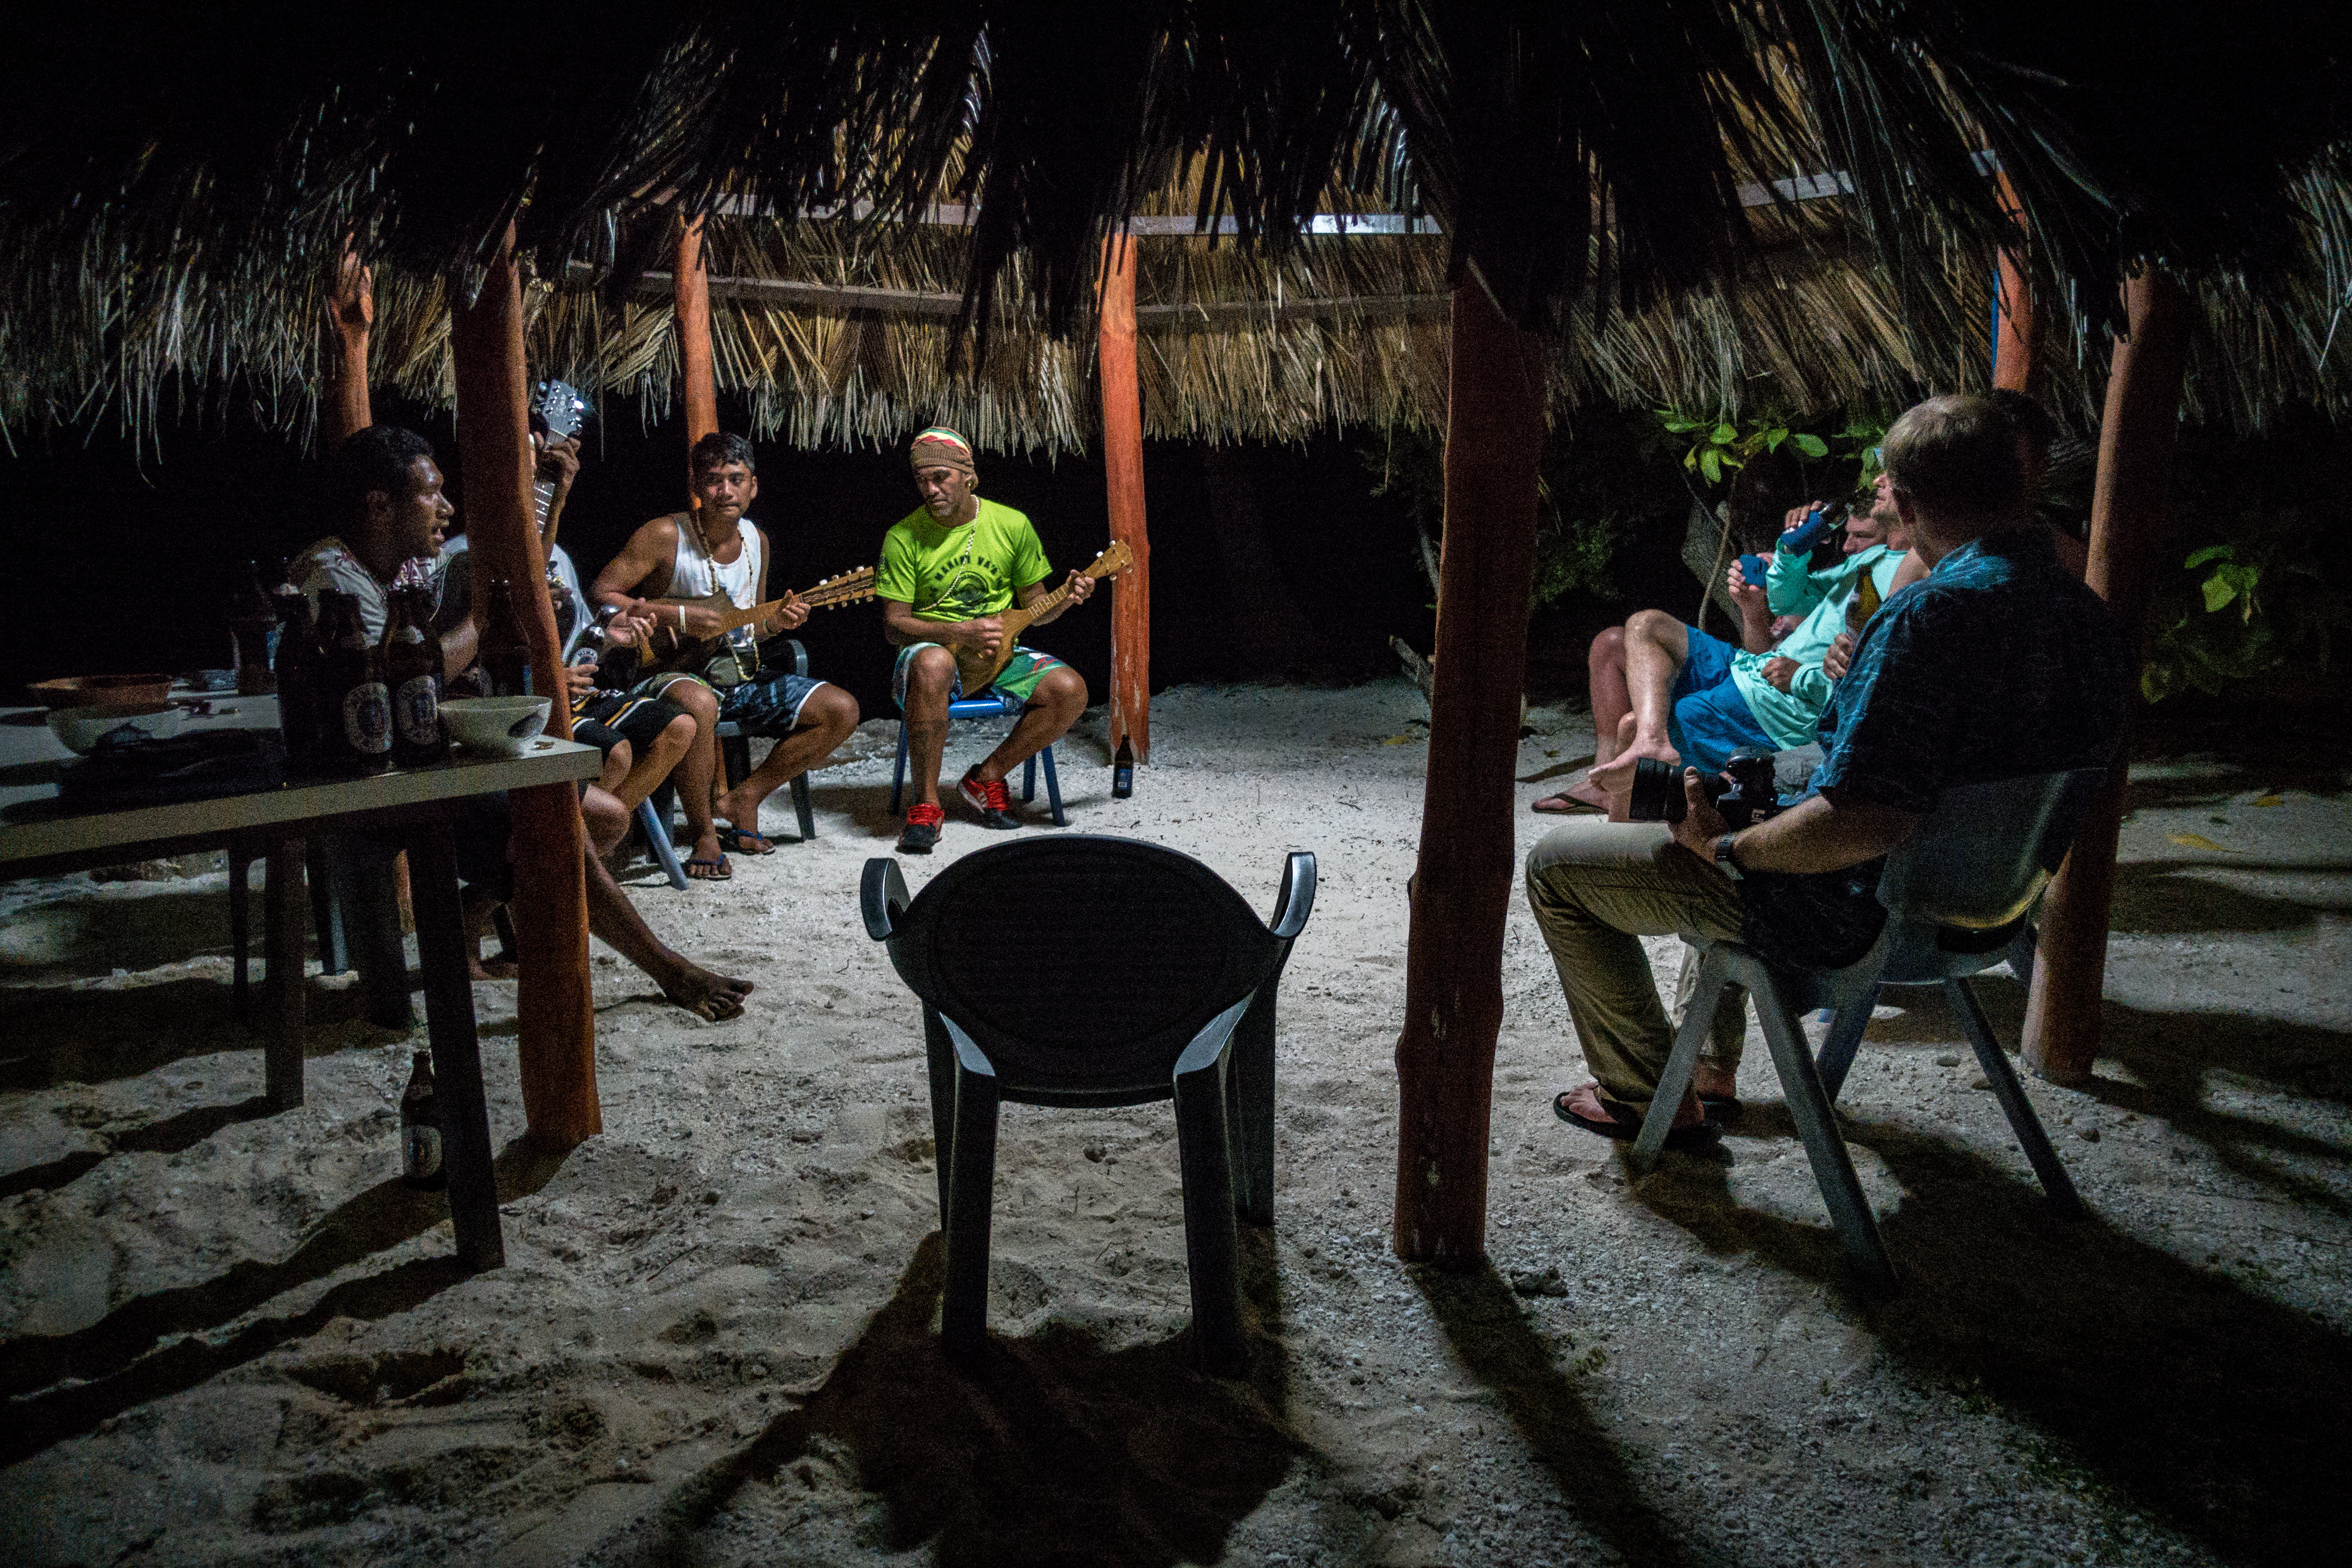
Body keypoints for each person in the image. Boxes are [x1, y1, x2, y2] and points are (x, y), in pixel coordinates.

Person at [1525, 393, 2128, 1145]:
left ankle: (1646, 1095)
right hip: (1985, 911)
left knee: (1558, 869)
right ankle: (1705, 1072)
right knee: (1705, 801)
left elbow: (1863, 817)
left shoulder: (1925, 617)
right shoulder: (2093, 621)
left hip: (1863, 914)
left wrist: (1726, 847)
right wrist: (1723, 800)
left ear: (1904, 505)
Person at [298, 426, 755, 1019]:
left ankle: (480, 916)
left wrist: (553, 500)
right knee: (565, 827)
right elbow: (406, 680)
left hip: (426, 761)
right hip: (369, 778)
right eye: (430, 494)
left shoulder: (401, 573)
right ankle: (668, 968)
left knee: (601, 818)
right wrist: (486, 616)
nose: (447, 507)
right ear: (379, 505)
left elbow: (512, 589)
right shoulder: (332, 577)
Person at [1534, 473, 1910, 815]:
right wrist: (1788, 555)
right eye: (1848, 536)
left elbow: (1851, 668)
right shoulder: (1871, 561)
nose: (1847, 547)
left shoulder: (1905, 574)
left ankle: (1625, 797)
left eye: (1861, 538)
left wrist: (1792, 666)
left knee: (1632, 727)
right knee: (1630, 632)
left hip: (1774, 698)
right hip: (1753, 674)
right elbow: (1784, 609)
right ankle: (1622, 765)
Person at [590, 432, 861, 878]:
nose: (726, 491)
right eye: (714, 480)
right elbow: (602, 595)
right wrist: (680, 615)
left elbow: (748, 623)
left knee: (841, 709)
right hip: (667, 675)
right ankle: (704, 833)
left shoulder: (757, 541)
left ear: (753, 486)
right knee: (700, 703)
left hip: (738, 672)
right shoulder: (664, 535)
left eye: (737, 480)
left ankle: (745, 796)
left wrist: (778, 623)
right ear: (696, 485)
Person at [877, 427, 1095, 853]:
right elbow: (894, 626)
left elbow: (1037, 607)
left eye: (941, 477)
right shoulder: (902, 536)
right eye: (922, 480)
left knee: (1069, 690)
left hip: (999, 652)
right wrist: (956, 631)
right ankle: (926, 806)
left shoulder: (1011, 525)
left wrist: (1067, 600)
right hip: (931, 657)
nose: (930, 489)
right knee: (933, 664)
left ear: (967, 477)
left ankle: (987, 776)